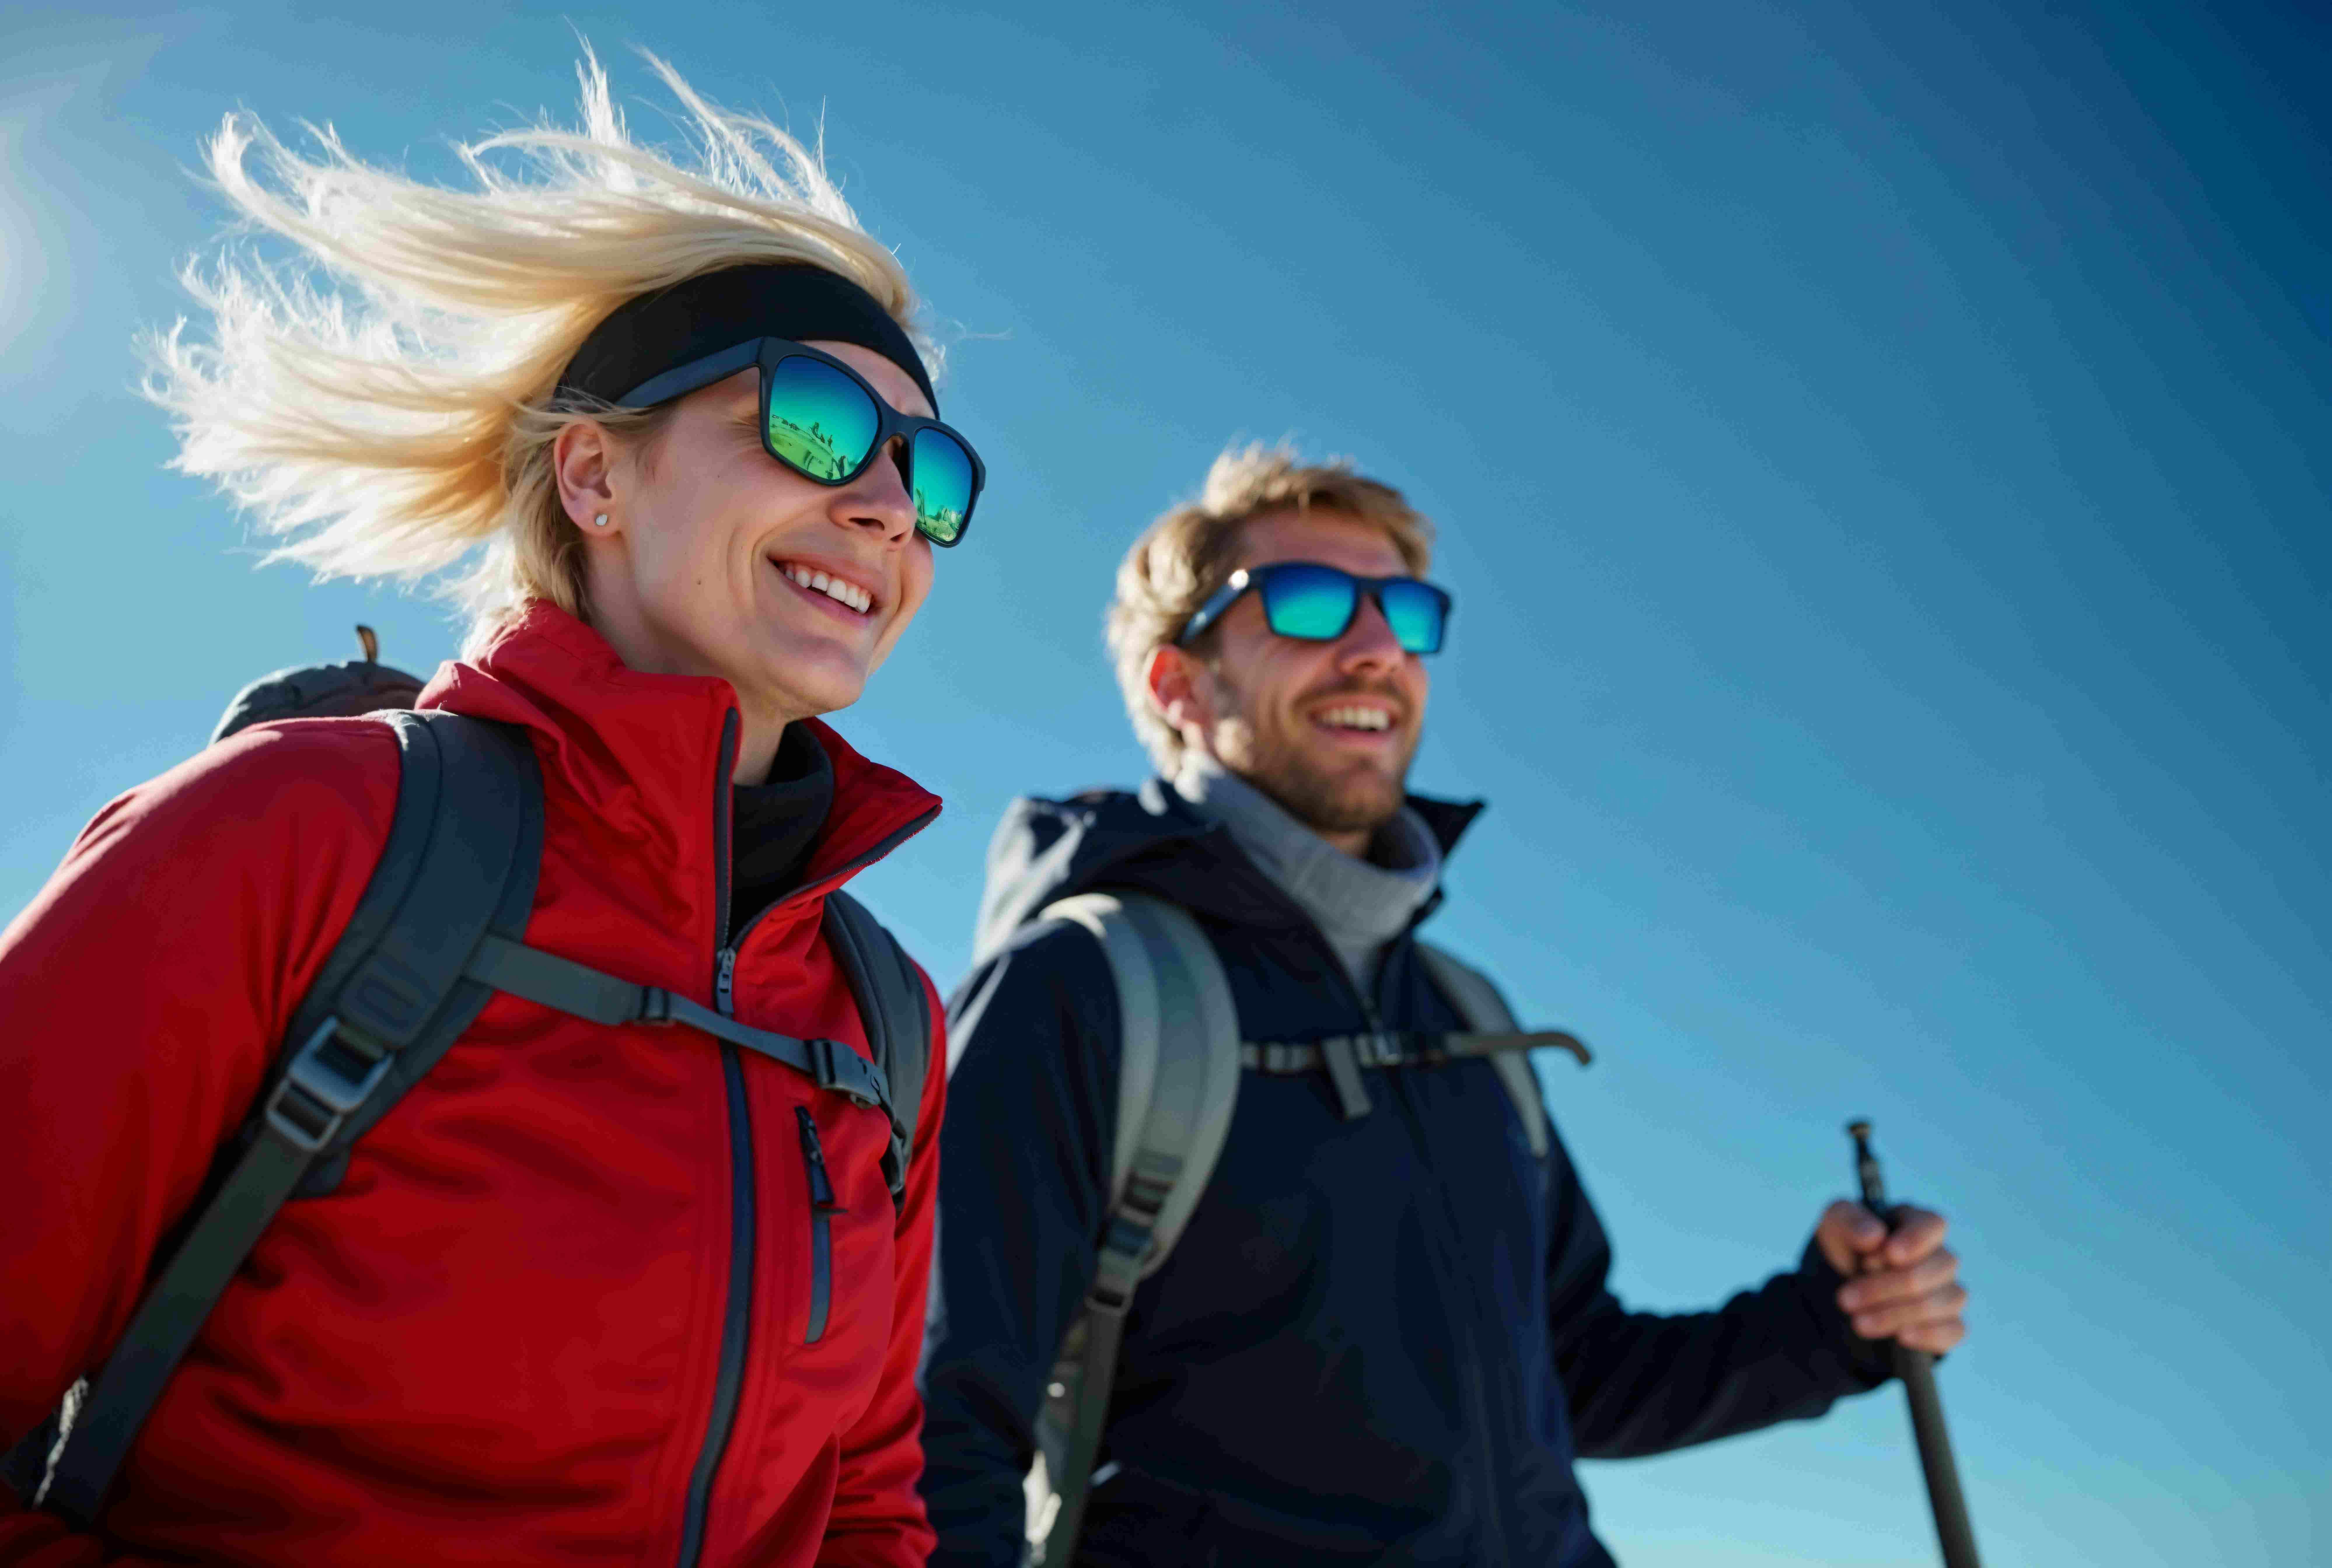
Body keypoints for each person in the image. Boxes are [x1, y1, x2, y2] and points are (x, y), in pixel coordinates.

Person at [0, 52, 984, 1566]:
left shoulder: (882, 1024)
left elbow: (862, 1501)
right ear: (593, 473)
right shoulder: (298, 834)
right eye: (810, 425)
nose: (881, 507)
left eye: (927, 474)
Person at [917, 445, 1970, 1566]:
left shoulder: (1467, 1018)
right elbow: (940, 1431)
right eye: (1309, 605)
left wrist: (1830, 1323)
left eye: (1404, 612)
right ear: (1180, 686)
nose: (1375, 649)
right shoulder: (1081, 990)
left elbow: (1578, 1374)